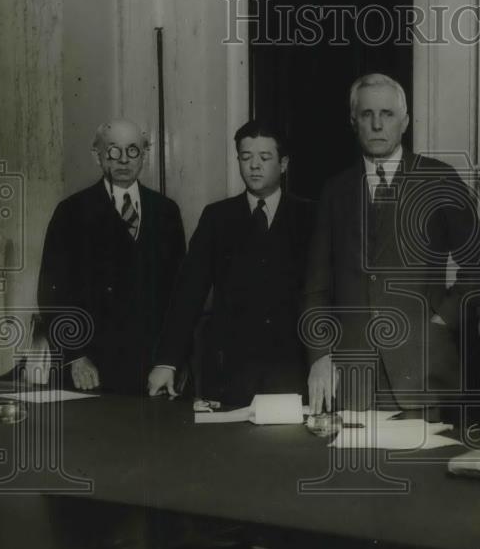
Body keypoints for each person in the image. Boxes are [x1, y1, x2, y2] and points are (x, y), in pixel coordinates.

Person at [303, 73, 480, 417]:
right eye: (366, 114)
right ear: (353, 121)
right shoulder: (335, 191)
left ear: (404, 122)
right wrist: (320, 355)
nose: (376, 124)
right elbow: (316, 287)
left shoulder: (438, 178)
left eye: (387, 114)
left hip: (424, 371)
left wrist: (445, 317)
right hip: (351, 378)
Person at [149, 120, 314, 407]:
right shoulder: (217, 218)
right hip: (230, 372)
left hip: (293, 369)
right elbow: (188, 293)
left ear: (284, 163)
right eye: (246, 157)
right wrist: (167, 362)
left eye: (265, 158)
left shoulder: (311, 216)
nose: (254, 166)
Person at [37, 119, 186, 394]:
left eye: (133, 150)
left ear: (144, 155)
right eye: (113, 151)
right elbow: (52, 293)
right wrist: (76, 357)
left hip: (152, 368)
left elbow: (179, 294)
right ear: (97, 155)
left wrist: (170, 361)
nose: (123, 160)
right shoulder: (71, 212)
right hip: (91, 368)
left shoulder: (166, 211)